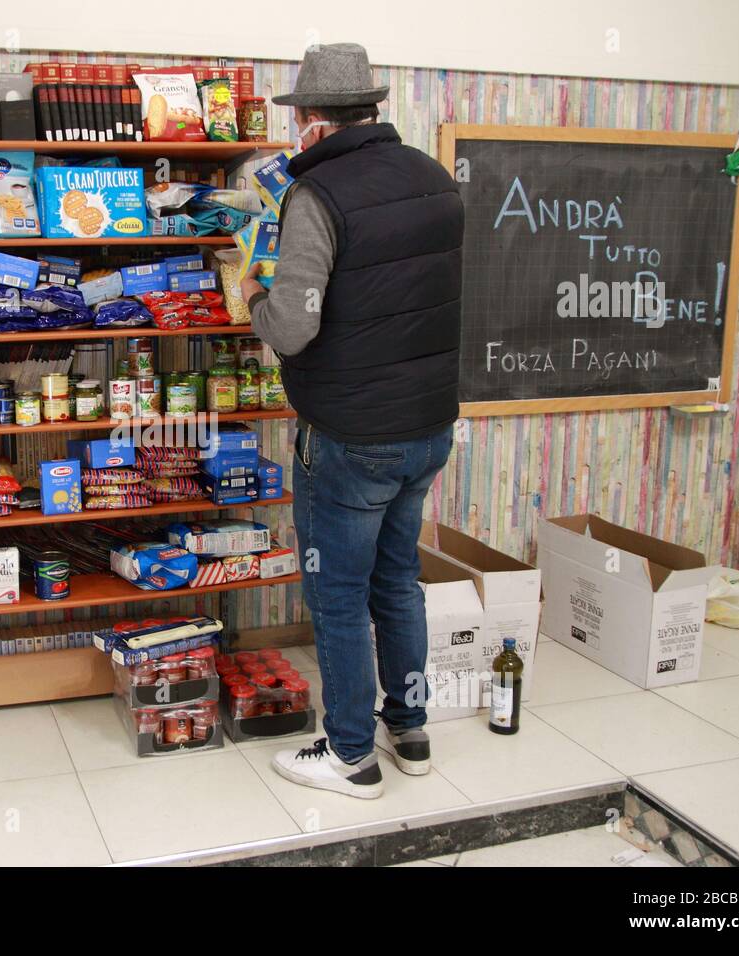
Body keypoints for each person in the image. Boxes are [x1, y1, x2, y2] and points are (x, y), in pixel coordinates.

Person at [242, 42, 464, 799]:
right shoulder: (435, 180)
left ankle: (349, 756)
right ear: (368, 109)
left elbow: (294, 328)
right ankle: (411, 730)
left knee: (338, 593)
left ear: (309, 120)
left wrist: (250, 297)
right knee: (397, 582)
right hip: (428, 427)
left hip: (351, 436)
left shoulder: (319, 196)